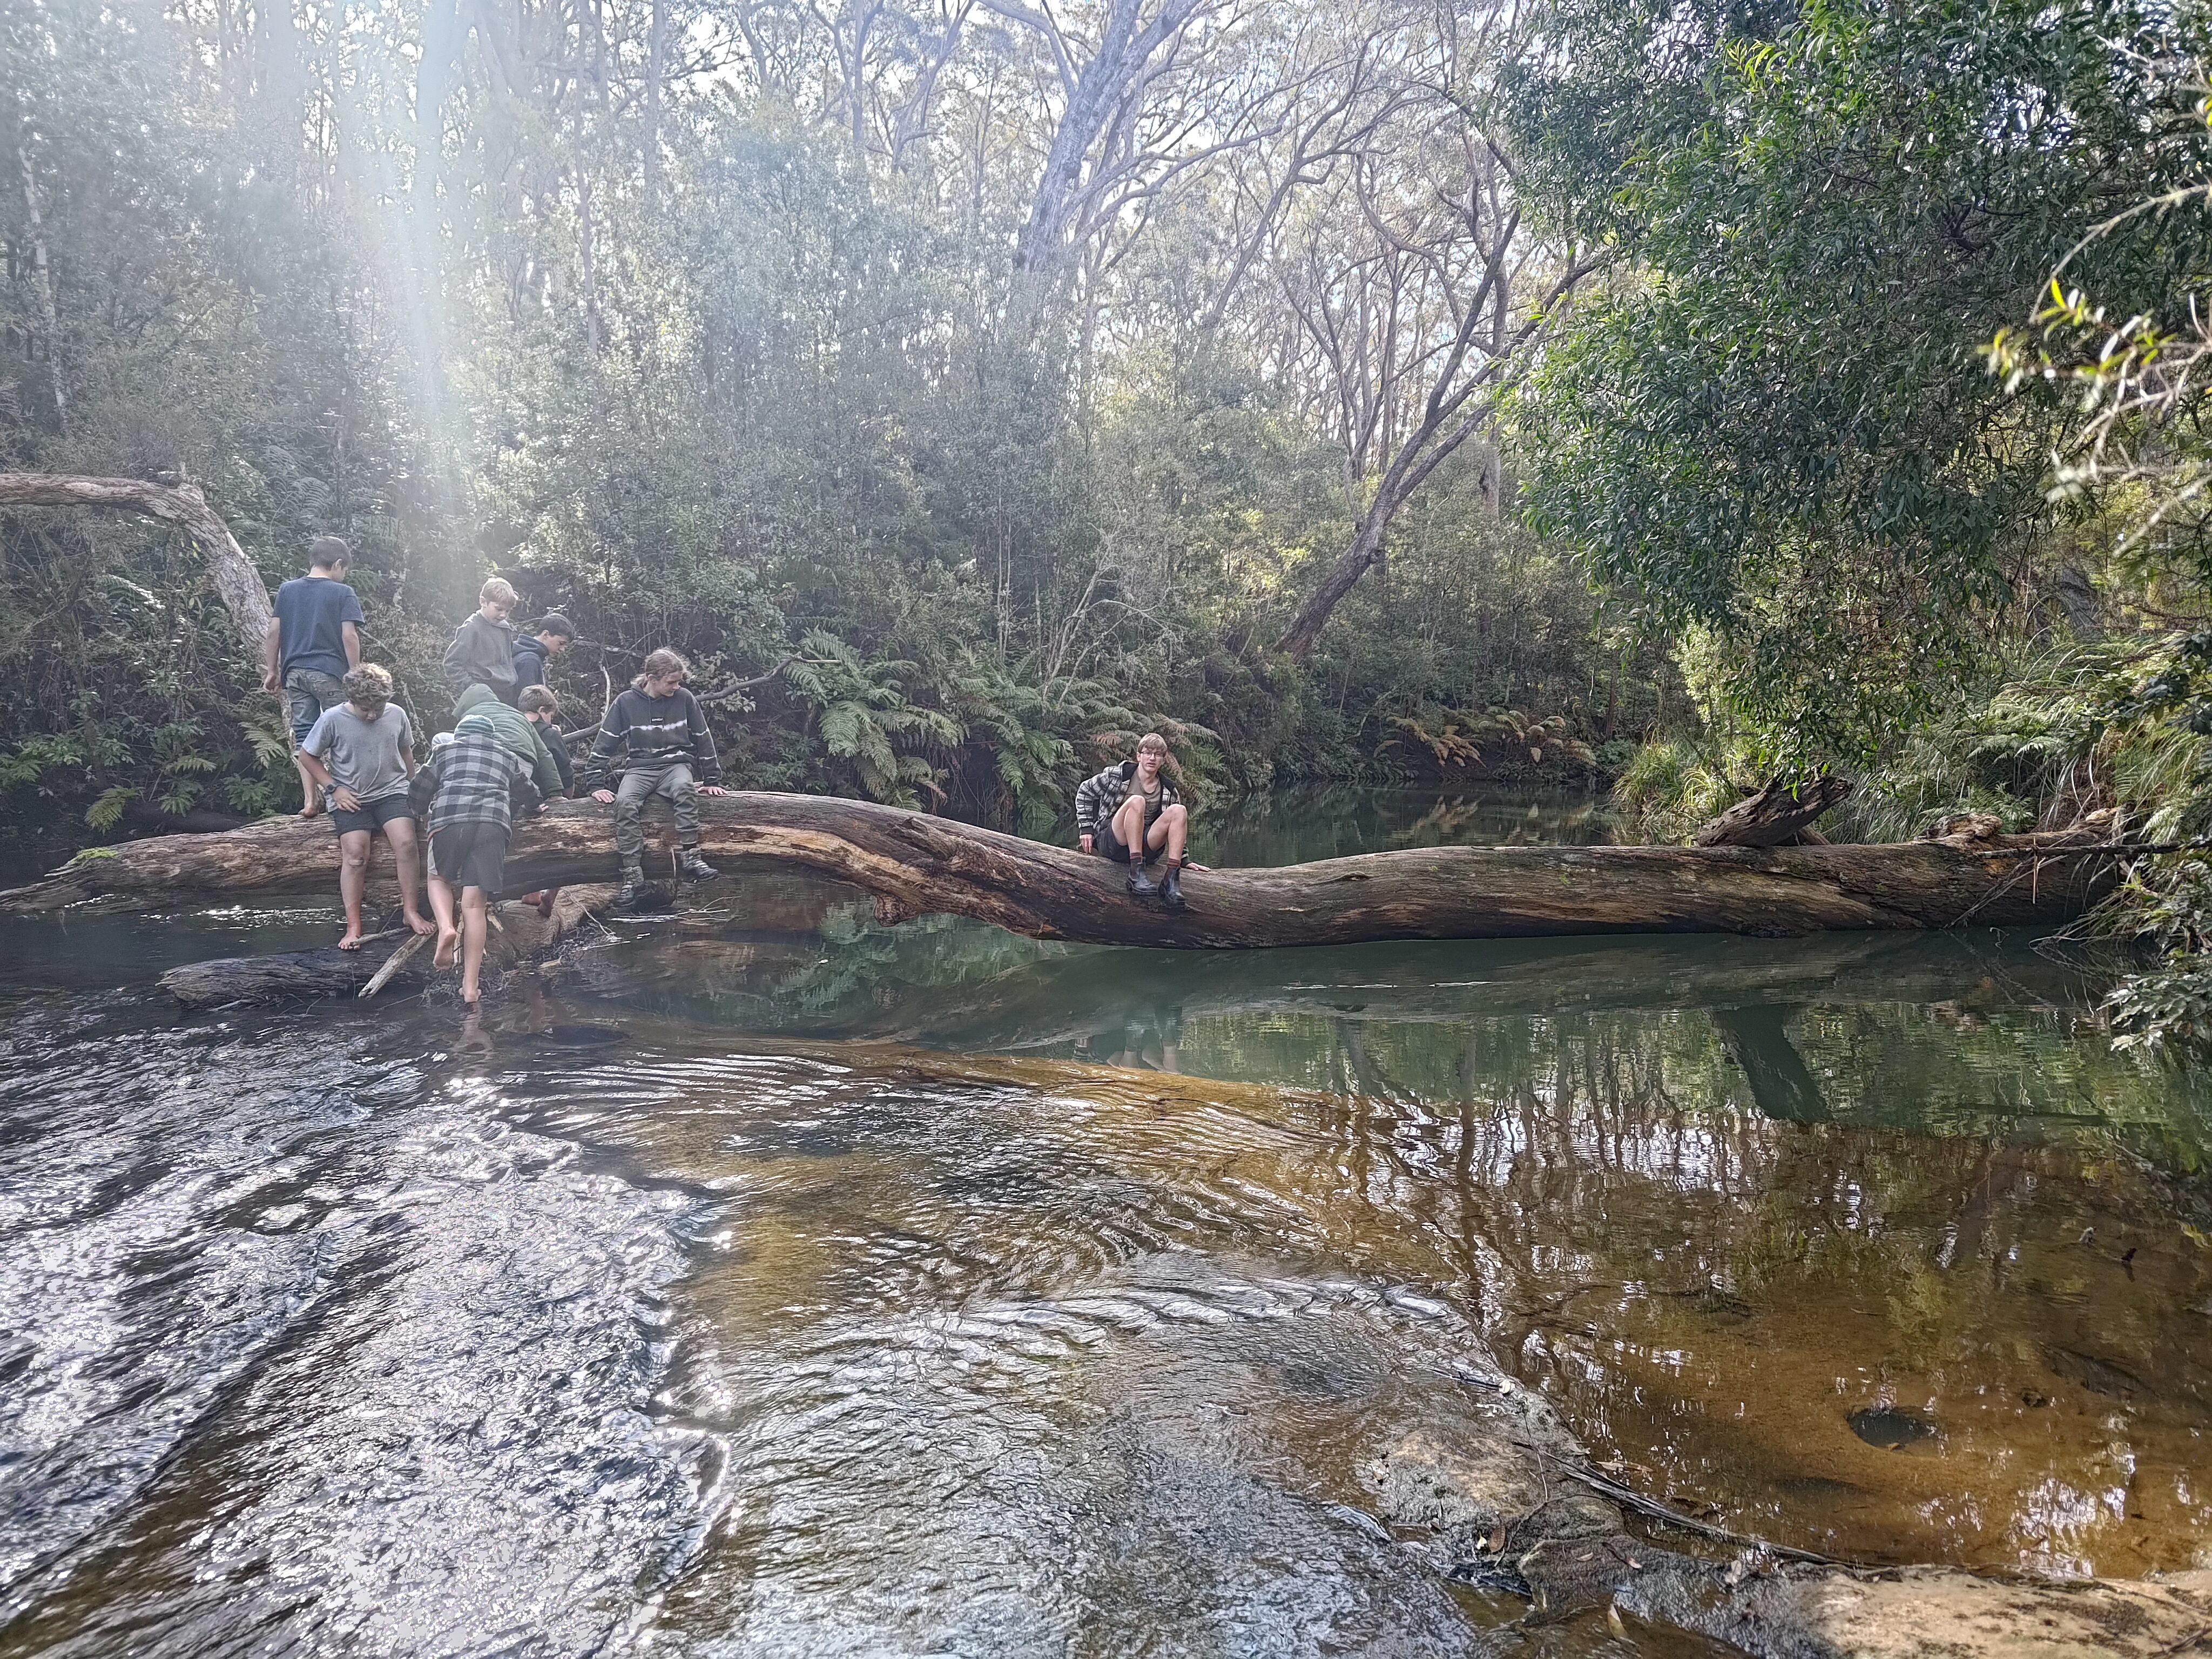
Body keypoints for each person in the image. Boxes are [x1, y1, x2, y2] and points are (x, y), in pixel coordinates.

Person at [296, 664, 433, 950]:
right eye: (364, 709)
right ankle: (354, 926)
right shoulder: (333, 718)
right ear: (351, 700)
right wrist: (333, 788)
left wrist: (416, 791)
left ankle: (410, 911)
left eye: (377, 708)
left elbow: (406, 751)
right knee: (357, 855)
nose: (372, 715)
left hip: (392, 792)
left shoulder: (397, 714)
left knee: (407, 843)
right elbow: (307, 757)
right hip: (350, 796)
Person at [409, 708, 537, 1009]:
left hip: (450, 821)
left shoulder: (444, 751)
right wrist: (535, 807)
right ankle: (470, 987)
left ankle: (446, 928)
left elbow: (418, 792)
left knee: (439, 878)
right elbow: (529, 793)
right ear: (491, 737)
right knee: (475, 906)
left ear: (461, 735)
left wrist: (419, 808)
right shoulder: (506, 756)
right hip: (492, 826)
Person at [585, 648, 727, 901]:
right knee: (625, 803)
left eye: (679, 681)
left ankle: (692, 858)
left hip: (676, 766)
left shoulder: (684, 699)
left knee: (685, 788)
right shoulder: (626, 702)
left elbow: (703, 738)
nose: (676, 686)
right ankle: (632, 876)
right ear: (652, 679)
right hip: (640, 768)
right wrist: (595, 783)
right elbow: (604, 742)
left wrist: (712, 780)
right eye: (671, 682)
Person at [262, 536, 364, 817]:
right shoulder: (342, 593)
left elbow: (274, 633)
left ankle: (311, 801)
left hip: (294, 673)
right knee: (345, 732)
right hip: (330, 672)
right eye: (345, 571)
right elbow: (349, 636)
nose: (344, 577)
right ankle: (349, 796)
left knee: (306, 737)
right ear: (339, 564)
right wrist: (356, 674)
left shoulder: (287, 590)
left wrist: (272, 670)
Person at [1075, 732, 1199, 908]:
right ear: (1139, 756)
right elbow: (1084, 792)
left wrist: (1184, 859)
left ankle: (1171, 880)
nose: (1152, 758)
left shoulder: (1168, 790)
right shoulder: (1117, 775)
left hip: (1146, 847)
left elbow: (1176, 830)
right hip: (1113, 842)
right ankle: (1135, 875)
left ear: (1163, 760)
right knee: (1137, 801)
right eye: (1148, 753)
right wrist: (1086, 829)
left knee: (1179, 811)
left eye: (1157, 755)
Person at [452, 682, 565, 800]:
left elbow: (464, 750)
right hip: (525, 766)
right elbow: (544, 754)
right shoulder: (515, 714)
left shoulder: (470, 716)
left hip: (497, 762)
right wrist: (556, 793)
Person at [441, 577, 520, 705]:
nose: (503, 615)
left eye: (508, 611)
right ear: (483, 602)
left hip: (507, 695)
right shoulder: (471, 628)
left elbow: (507, 661)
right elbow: (452, 663)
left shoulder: (504, 627)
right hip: (482, 698)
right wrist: (474, 688)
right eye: (499, 609)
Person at [518, 685, 574, 795]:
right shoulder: (550, 735)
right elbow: (566, 773)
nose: (551, 722)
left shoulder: (513, 728)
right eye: (551, 717)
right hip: (547, 798)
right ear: (542, 710)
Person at [510, 614, 575, 694]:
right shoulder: (530, 661)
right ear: (546, 635)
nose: (563, 649)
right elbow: (527, 703)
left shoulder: (524, 652)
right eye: (561, 643)